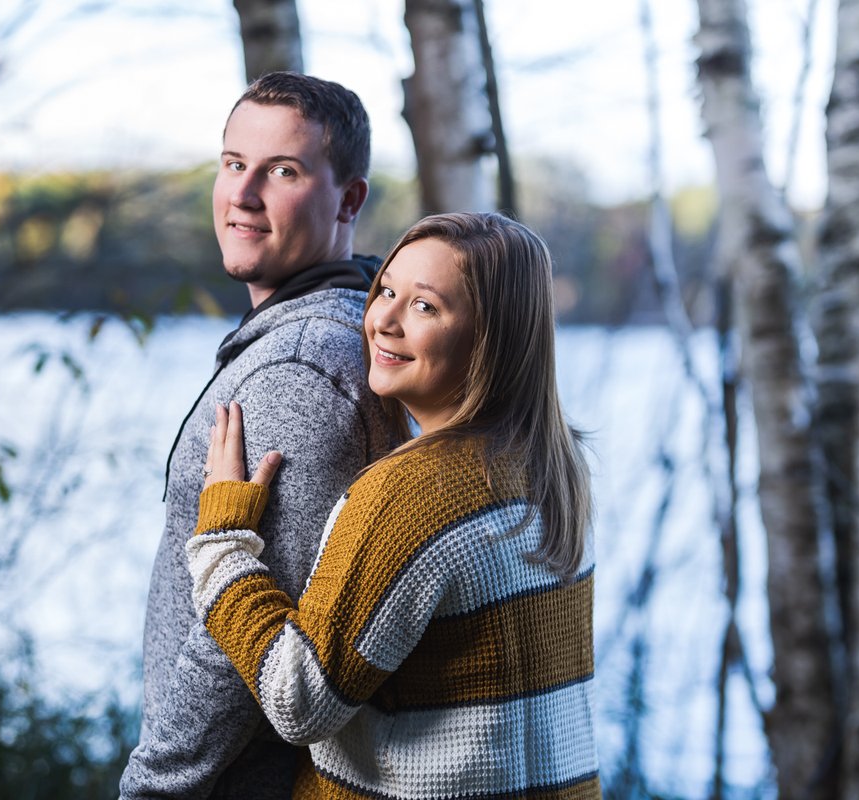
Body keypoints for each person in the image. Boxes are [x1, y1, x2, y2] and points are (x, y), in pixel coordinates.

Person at [188, 212, 601, 799]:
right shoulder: (553, 465)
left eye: (425, 307)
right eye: (385, 290)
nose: (382, 320)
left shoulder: (410, 497)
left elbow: (298, 699)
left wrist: (224, 544)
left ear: (490, 337)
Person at [119, 73, 393, 799]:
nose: (242, 194)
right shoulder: (333, 334)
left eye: (283, 171)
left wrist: (154, 784)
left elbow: (245, 637)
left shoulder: (303, 370)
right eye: (234, 163)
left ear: (349, 199)